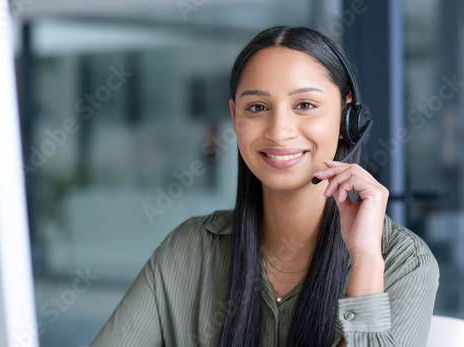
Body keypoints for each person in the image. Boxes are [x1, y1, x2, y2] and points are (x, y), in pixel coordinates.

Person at [90, 26, 439, 347]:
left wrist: (364, 259)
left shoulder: (402, 263)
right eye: (257, 107)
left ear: (347, 116)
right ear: (235, 118)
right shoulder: (189, 249)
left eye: (305, 105)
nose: (279, 130)